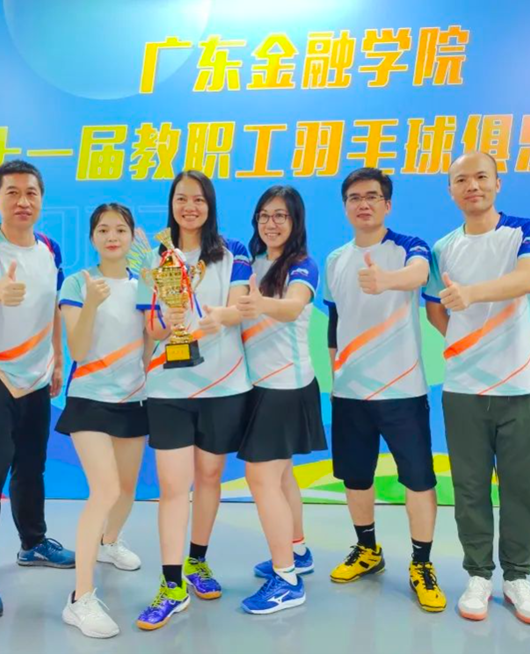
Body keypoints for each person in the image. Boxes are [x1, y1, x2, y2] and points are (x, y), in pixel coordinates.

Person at [425, 151, 530, 625]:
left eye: (481, 177)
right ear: (451, 190)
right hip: (463, 390)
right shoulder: (442, 249)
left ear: (498, 183)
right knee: (470, 488)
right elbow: (434, 307)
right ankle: (478, 575)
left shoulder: (526, 230)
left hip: (523, 385)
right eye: (462, 179)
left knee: (523, 489)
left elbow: (528, 278)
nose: (472, 186)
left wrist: (472, 294)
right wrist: (466, 345)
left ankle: (518, 577)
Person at [325, 167, 446, 613]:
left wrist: (385, 281)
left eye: (372, 196)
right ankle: (367, 550)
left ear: (387, 204)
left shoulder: (409, 246)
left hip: (402, 388)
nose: (363, 204)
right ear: (345, 207)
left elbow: (418, 275)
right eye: (354, 197)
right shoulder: (336, 259)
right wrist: (337, 372)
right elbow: (334, 319)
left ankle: (422, 563)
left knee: (418, 478)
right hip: (350, 391)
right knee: (356, 477)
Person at [135, 170, 252, 630]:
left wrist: (214, 319)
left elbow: (239, 305)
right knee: (172, 487)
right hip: (169, 389)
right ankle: (171, 584)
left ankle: (197, 560)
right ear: (172, 204)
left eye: (198, 199)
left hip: (223, 385)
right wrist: (170, 322)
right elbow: (151, 328)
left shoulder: (233, 251)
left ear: (210, 205)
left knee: (209, 477)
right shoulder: (156, 258)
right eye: (182, 199)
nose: (190, 207)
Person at [0, 160, 74, 620]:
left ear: (41, 199)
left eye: (31, 193)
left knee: (31, 468)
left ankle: (33, 543)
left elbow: (53, 308)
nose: (23, 201)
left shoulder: (49, 248)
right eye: (12, 192)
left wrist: (57, 359)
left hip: (36, 378)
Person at [55, 203, 150, 638]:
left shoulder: (143, 283)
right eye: (104, 230)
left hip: (134, 398)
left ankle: (110, 543)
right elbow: (77, 348)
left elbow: (151, 341)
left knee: (127, 489)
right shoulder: (78, 283)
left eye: (121, 229)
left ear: (131, 236)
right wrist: (92, 303)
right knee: (106, 490)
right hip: (90, 399)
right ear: (92, 237)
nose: (112, 236)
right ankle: (80, 597)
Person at [236, 185, 327, 615]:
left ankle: (287, 579)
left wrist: (257, 303)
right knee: (283, 474)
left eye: (281, 216)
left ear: (296, 222)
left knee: (261, 478)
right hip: (257, 385)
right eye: (265, 215)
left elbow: (293, 307)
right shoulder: (249, 262)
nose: (271, 224)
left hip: (285, 386)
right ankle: (298, 551)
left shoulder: (302, 265)